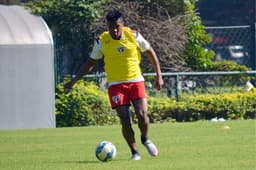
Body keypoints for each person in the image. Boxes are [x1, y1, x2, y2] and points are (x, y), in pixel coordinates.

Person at [64, 9, 164, 161]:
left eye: (117, 26)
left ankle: (145, 138)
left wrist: (159, 76)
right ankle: (135, 152)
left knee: (142, 115)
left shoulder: (134, 35)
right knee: (125, 119)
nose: (114, 30)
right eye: (111, 27)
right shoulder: (101, 41)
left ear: (123, 25)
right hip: (116, 85)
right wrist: (74, 80)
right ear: (107, 26)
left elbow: (150, 52)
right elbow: (90, 63)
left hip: (135, 80)